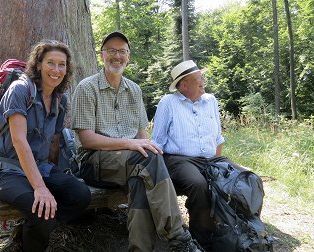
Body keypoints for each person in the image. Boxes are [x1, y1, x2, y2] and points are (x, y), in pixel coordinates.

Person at [72, 32, 202, 252]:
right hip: (92, 162)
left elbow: (142, 135)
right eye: (111, 50)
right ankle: (179, 239)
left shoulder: (134, 90)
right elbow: (87, 139)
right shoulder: (87, 87)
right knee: (146, 160)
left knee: (142, 181)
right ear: (102, 55)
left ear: (128, 56)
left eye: (122, 51)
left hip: (131, 163)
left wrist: (143, 146)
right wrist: (130, 144)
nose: (117, 56)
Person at [0, 40, 91, 252]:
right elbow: (19, 140)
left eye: (62, 64)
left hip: (39, 167)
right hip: (4, 171)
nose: (56, 70)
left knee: (80, 195)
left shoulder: (60, 98)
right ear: (38, 64)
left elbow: (54, 142)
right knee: (41, 210)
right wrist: (41, 188)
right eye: (51, 63)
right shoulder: (20, 90)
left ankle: (26, 236)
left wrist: (57, 178)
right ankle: (35, 232)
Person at [151, 60, 253, 251]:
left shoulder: (211, 100)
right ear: (183, 85)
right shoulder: (169, 103)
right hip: (178, 159)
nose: (203, 82)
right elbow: (157, 142)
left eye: (202, 78)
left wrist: (217, 166)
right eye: (198, 79)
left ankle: (240, 233)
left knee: (245, 179)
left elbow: (217, 138)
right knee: (199, 184)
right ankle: (201, 241)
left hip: (210, 159)